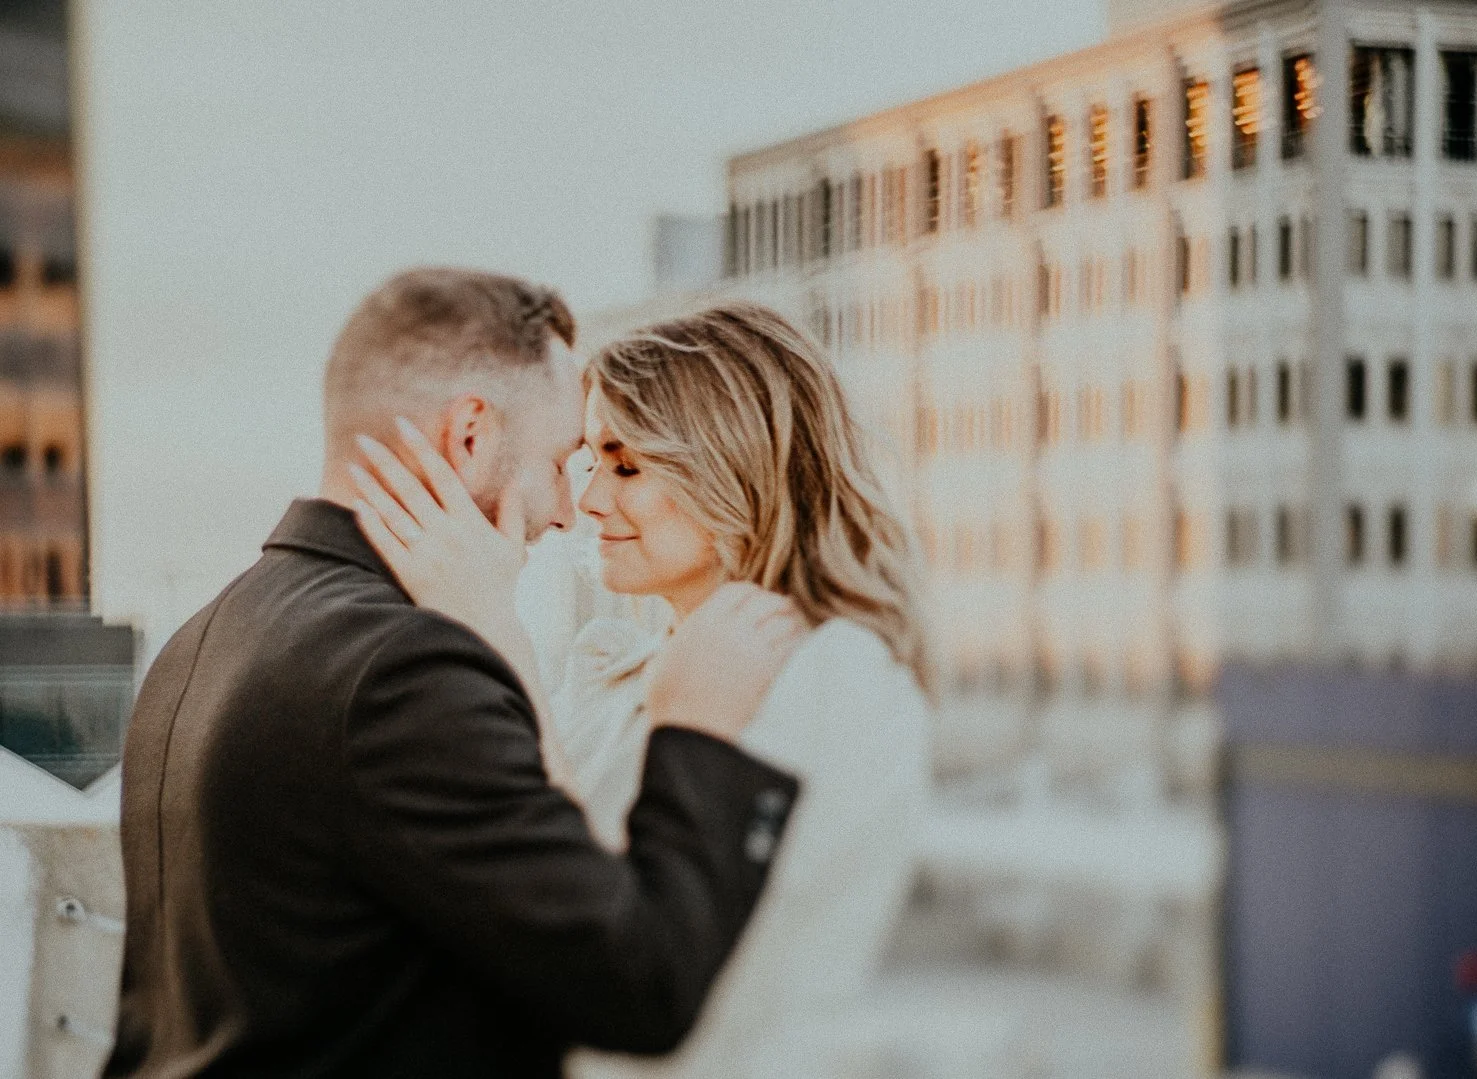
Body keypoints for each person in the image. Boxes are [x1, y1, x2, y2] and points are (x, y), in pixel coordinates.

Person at [104, 269, 807, 1079]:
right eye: (560, 460)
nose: (567, 511)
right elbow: (639, 982)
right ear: (470, 435)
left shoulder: (203, 637)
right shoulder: (406, 671)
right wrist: (696, 730)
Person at [353, 301, 933, 1078]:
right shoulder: (617, 666)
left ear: (734, 463)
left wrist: (497, 633)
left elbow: (639, 959)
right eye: (592, 460)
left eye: (627, 465)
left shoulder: (840, 678)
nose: (590, 501)